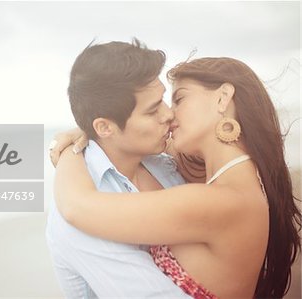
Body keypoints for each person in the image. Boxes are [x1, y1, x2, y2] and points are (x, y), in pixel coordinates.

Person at [51, 57, 301, 298]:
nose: (170, 114)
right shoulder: (227, 179)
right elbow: (131, 143)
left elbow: (76, 207)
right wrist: (96, 130)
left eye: (179, 99)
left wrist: (69, 155)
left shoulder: (219, 201)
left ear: (223, 98)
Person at [46, 39, 194, 298]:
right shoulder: (82, 213)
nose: (169, 114)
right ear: (105, 127)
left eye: (163, 100)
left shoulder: (162, 160)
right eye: (152, 111)